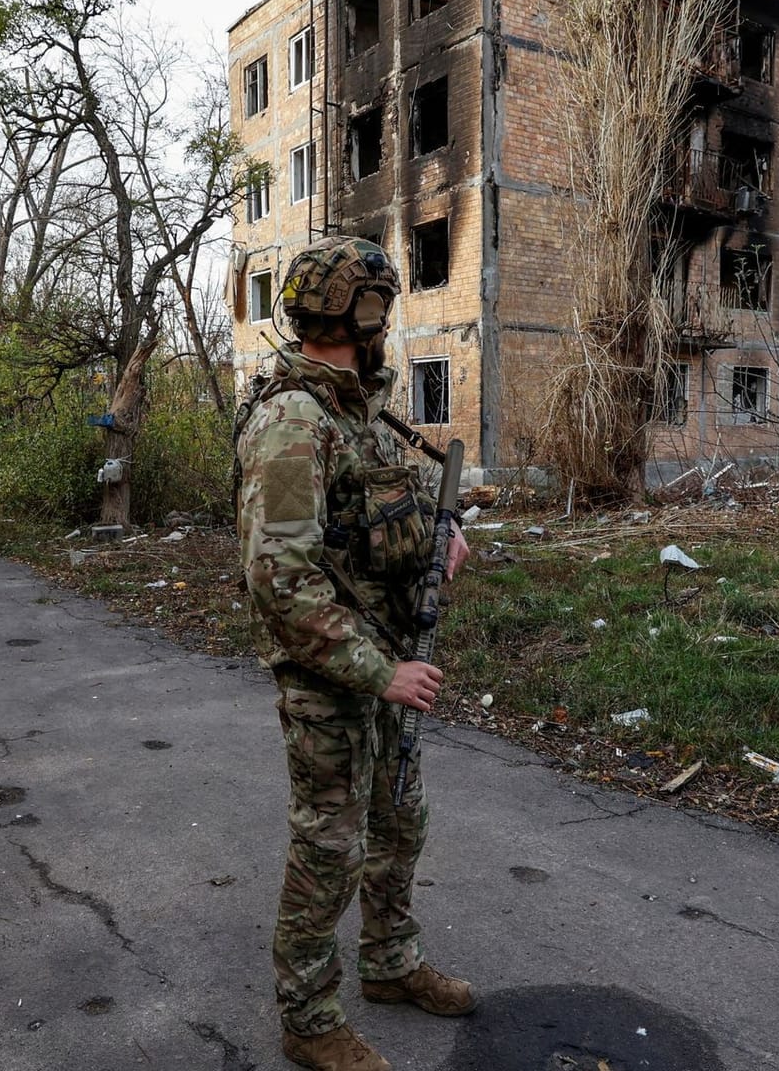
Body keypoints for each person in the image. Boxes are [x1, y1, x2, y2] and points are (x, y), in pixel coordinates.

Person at [234, 237, 475, 1071]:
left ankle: (390, 963)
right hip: (331, 676)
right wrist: (382, 671)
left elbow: (369, 526)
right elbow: (281, 582)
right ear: (363, 314)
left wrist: (437, 547)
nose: (386, 323)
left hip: (381, 657)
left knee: (399, 821)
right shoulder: (292, 423)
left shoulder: (354, 409)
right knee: (328, 847)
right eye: (382, 307)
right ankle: (307, 1018)